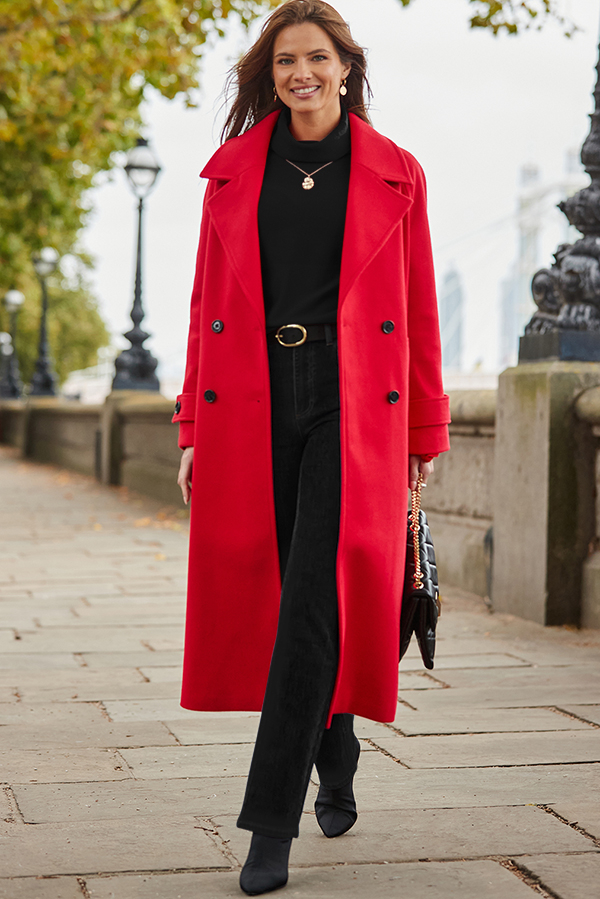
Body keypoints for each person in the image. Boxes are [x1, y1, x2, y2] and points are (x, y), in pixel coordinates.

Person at [174, 1, 450, 894]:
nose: (301, 73)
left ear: (344, 67)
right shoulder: (232, 175)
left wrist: (423, 435)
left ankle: (269, 824)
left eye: (316, 59)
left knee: (309, 605)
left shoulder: (394, 173)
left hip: (353, 404)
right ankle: (336, 744)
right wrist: (190, 425)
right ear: (270, 74)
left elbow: (418, 314)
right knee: (292, 597)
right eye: (285, 61)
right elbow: (202, 308)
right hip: (254, 402)